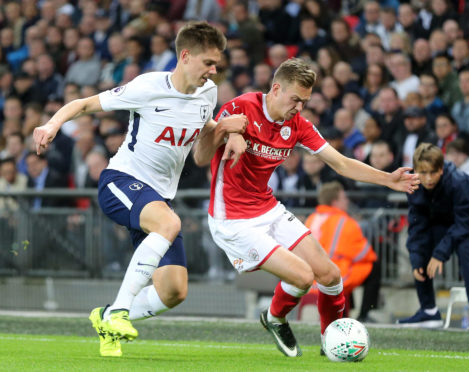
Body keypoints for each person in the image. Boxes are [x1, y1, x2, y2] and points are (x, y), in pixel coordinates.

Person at [32, 22, 248, 357]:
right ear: (186, 56)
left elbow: (201, 156)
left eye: (217, 63)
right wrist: (52, 124)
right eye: (208, 62)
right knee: (169, 223)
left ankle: (105, 318)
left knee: (174, 292)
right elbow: (85, 104)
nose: (214, 70)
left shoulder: (208, 93)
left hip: (158, 199)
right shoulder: (148, 86)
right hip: (120, 181)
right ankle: (119, 310)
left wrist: (222, 131)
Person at [195, 58, 419, 357]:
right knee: (302, 277)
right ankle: (275, 318)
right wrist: (225, 129)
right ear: (276, 89)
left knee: (330, 275)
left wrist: (387, 180)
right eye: (295, 99)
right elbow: (200, 157)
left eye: (305, 101)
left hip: (267, 207)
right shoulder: (241, 107)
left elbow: (340, 163)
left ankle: (333, 343)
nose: (299, 107)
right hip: (232, 219)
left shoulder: (297, 124)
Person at [397, 143, 469, 329]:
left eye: (433, 172)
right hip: (444, 214)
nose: (428, 178)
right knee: (421, 251)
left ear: (441, 169)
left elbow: (463, 224)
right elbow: (417, 228)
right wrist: (417, 260)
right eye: (423, 173)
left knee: (465, 248)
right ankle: (429, 311)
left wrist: (440, 254)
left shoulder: (458, 182)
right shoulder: (414, 186)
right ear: (415, 171)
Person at [305, 181, 377, 317]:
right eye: (344, 198)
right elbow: (366, 254)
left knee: (349, 264)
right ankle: (364, 314)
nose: (347, 201)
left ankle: (348, 308)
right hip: (335, 277)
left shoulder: (311, 218)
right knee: (372, 266)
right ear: (334, 202)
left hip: (309, 277)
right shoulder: (346, 222)